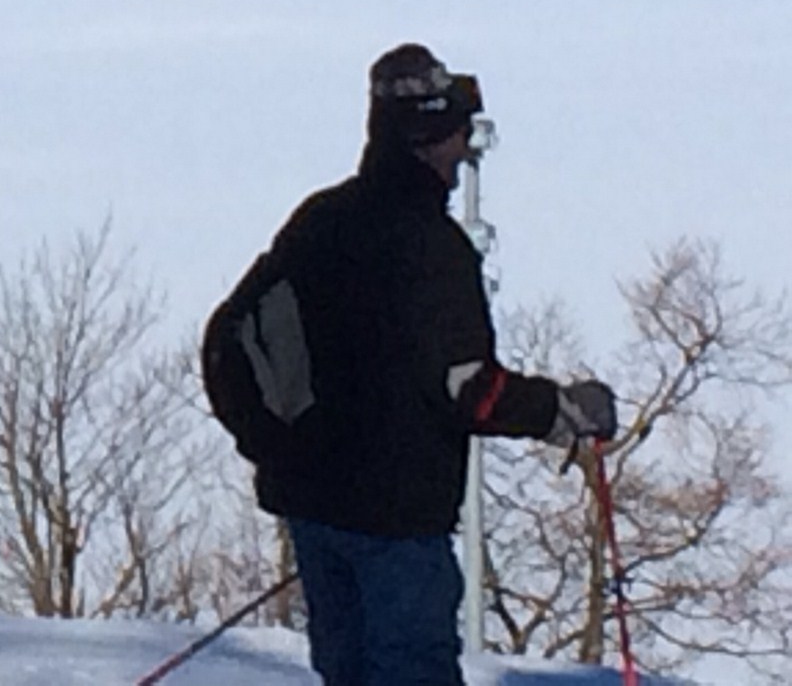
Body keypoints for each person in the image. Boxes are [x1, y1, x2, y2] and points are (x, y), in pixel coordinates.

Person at [202, 44, 618, 686]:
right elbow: (470, 390)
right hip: (398, 528)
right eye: (458, 134)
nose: (463, 150)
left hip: (315, 516)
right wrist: (563, 412)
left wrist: (275, 451)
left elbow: (230, 340)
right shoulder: (433, 248)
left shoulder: (320, 221)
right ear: (428, 139)